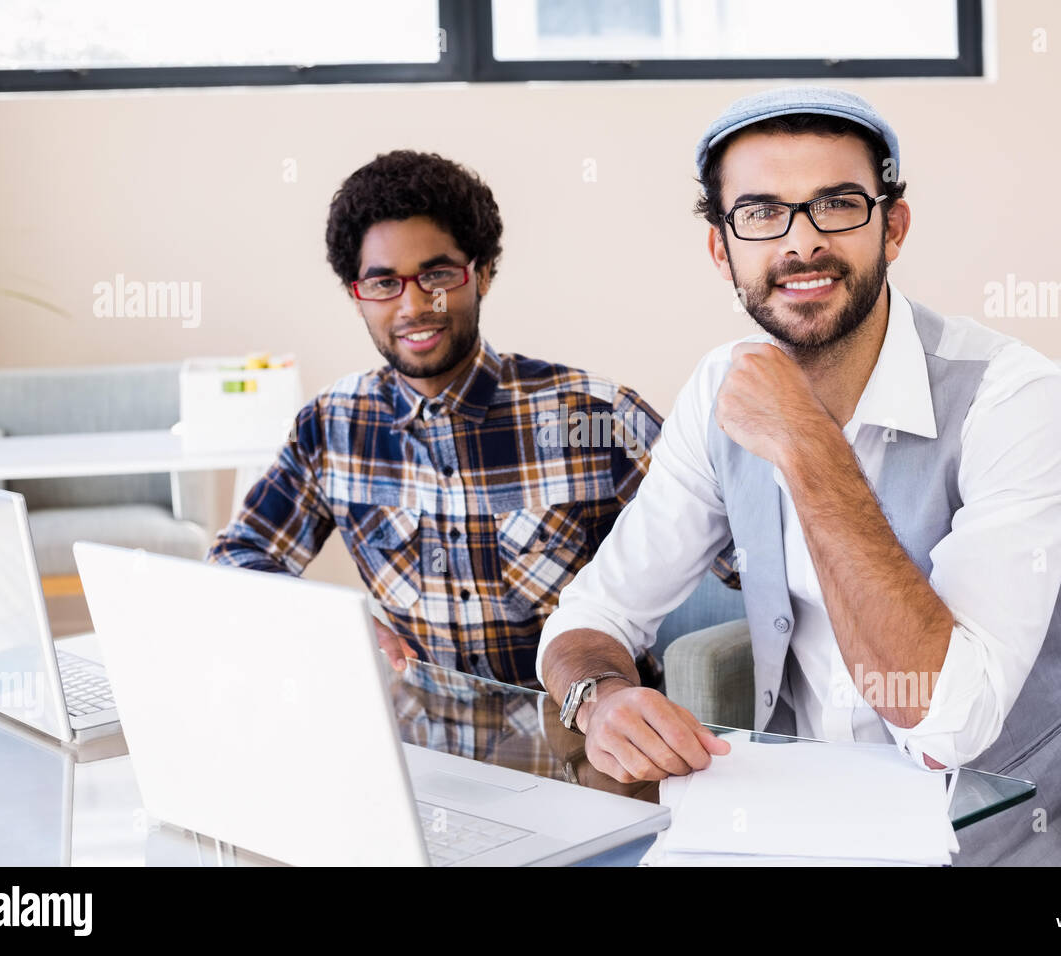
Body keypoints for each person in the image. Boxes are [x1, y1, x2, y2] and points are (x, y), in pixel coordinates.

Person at [536, 87, 1061, 865]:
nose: (802, 242)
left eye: (838, 204)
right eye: (761, 213)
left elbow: (948, 724)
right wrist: (599, 699)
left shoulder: (1016, 398)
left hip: (1005, 825)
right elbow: (594, 613)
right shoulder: (720, 390)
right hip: (805, 815)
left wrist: (808, 445)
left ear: (894, 227)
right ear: (722, 250)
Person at [208, 150, 730, 688]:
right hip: (422, 748)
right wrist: (333, 624)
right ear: (356, 295)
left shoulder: (595, 417)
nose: (413, 306)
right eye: (384, 283)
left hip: (587, 740)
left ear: (481, 274)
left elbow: (752, 555)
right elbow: (236, 561)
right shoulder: (332, 428)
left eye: (436, 274)